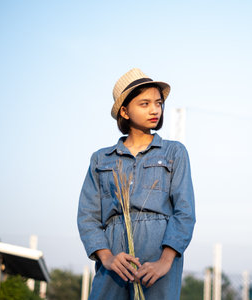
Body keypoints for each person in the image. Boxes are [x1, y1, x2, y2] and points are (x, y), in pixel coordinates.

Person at [77, 68, 196, 299]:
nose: (155, 109)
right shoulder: (101, 159)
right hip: (114, 263)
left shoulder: (174, 152)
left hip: (157, 258)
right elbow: (87, 215)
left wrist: (164, 261)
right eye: (144, 104)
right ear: (125, 111)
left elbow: (185, 212)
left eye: (158, 103)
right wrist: (107, 257)